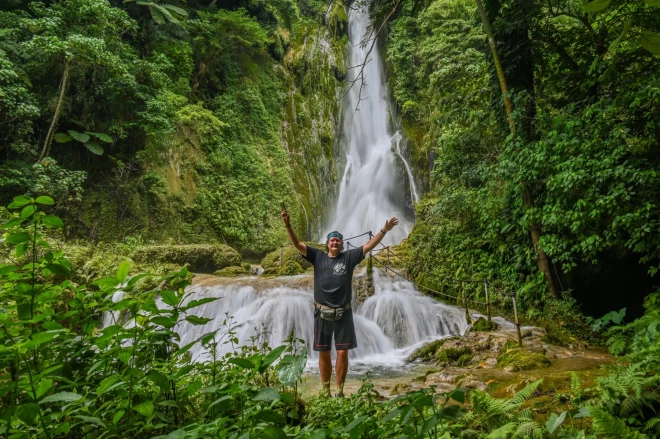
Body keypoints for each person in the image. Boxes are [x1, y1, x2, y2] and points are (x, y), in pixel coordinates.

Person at [280, 206, 399, 396]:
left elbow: (369, 246)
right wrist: (287, 225)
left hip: (343, 313)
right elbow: (297, 244)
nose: (334, 242)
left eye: (337, 240)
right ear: (327, 244)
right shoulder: (317, 257)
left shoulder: (349, 258)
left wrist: (384, 230)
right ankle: (325, 392)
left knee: (343, 352)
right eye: (332, 240)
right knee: (324, 352)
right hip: (322, 313)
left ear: (341, 245)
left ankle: (340, 391)